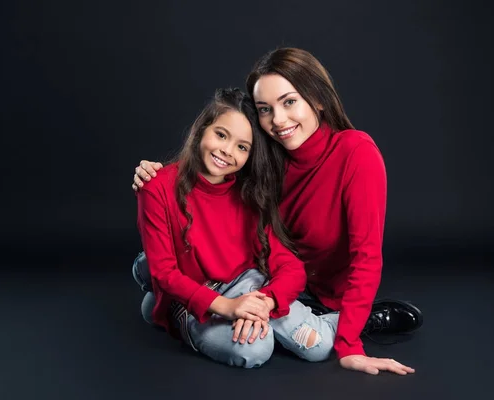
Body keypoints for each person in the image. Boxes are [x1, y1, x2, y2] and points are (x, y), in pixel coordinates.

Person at [132, 48, 423, 375]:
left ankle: (353, 319)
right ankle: (165, 300)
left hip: (296, 283)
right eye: (265, 110)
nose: (279, 120)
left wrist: (349, 345)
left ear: (318, 99)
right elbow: (205, 187)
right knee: (151, 268)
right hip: (257, 270)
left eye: (289, 102)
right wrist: (155, 176)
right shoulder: (264, 159)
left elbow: (365, 256)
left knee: (310, 346)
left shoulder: (355, 153)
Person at [133, 87, 343, 368]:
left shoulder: (250, 196)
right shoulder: (157, 185)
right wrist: (228, 308)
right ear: (203, 128)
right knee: (255, 350)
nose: (226, 151)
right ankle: (165, 306)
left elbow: (289, 266)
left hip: (247, 285)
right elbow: (165, 272)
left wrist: (264, 304)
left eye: (242, 147)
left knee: (318, 347)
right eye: (221, 134)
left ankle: (349, 317)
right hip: (194, 294)